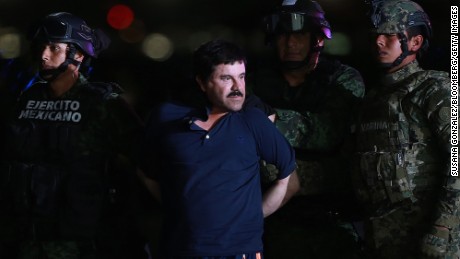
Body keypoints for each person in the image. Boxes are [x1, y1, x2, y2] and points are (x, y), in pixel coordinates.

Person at [0, 12, 147, 259]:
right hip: (25, 242)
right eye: (41, 47)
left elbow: (149, 163)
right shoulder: (23, 101)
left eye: (54, 48)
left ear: (78, 54)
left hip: (83, 246)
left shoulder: (104, 105)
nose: (44, 55)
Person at [138, 39, 299, 258]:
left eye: (241, 77)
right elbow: (147, 172)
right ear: (202, 82)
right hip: (181, 250)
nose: (237, 87)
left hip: (241, 252)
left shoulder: (253, 120)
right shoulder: (166, 117)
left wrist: (248, 219)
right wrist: (180, 208)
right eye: (226, 78)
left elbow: (289, 179)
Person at [246, 0, 366, 257]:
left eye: (299, 34)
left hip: (330, 220)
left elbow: (328, 132)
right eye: (283, 35)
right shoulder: (255, 81)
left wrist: (271, 120)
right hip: (272, 223)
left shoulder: (342, 79)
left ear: (318, 40)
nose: (290, 43)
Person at [352, 0, 459, 258]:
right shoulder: (373, 99)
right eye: (375, 35)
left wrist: (443, 227)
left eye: (389, 35)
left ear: (415, 42)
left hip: (433, 241)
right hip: (385, 240)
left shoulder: (435, 88)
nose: (378, 41)